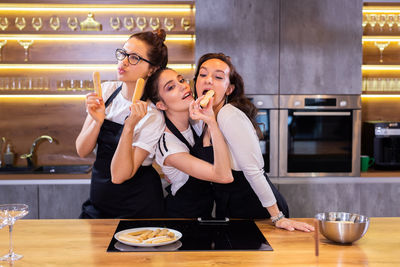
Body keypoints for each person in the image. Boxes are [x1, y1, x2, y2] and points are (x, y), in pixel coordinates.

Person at [193, 53, 314, 232]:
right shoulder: (205, 118)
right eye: (203, 75)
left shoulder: (229, 114)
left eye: (218, 77)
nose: (208, 80)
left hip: (256, 210)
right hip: (227, 208)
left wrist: (278, 217)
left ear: (229, 89)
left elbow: (254, 171)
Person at [76, 29, 168, 219]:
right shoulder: (106, 91)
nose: (123, 62)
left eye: (134, 58)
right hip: (99, 202)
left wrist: (130, 126)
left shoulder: (151, 115)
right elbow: (82, 150)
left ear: (152, 69)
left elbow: (122, 175)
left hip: (137, 207)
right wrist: (97, 121)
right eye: (123, 54)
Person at [143, 68, 233, 218]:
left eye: (181, 80)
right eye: (171, 87)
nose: (183, 86)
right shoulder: (169, 148)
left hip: (204, 215)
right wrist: (211, 123)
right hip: (182, 221)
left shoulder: (195, 123)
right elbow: (224, 176)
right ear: (161, 105)